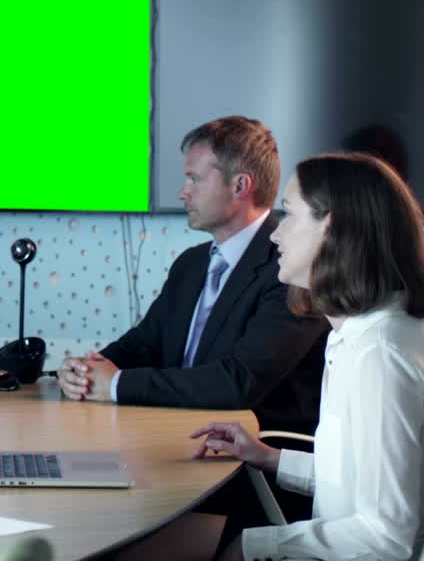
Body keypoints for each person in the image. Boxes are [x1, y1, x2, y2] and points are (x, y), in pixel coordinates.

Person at [191, 152, 424, 561]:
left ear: (331, 229)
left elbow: (387, 535)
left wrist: (255, 545)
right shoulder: (354, 336)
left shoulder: (380, 355)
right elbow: (360, 481)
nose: (275, 235)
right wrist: (267, 457)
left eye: (288, 214)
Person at [58, 116, 326, 434]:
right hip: (175, 434)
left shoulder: (292, 270)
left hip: (249, 454)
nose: (182, 193)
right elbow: (144, 344)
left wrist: (116, 384)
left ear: (240, 186)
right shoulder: (191, 263)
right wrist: (85, 371)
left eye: (194, 180)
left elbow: (239, 382)